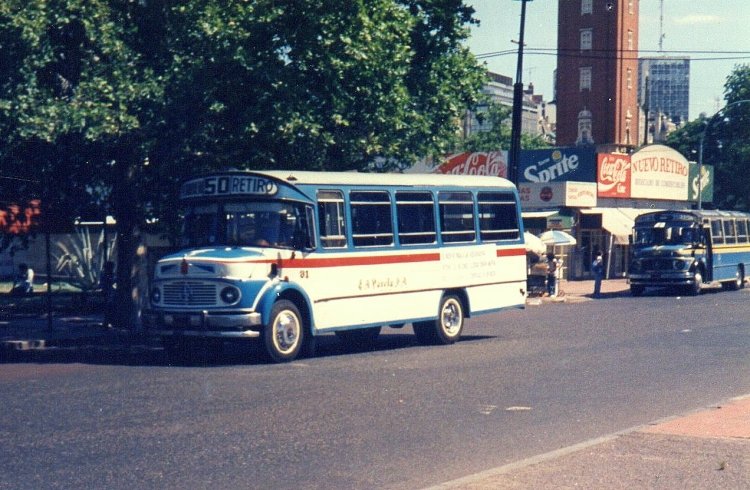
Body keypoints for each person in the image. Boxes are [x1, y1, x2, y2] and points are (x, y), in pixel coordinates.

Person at [100, 261, 116, 327]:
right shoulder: (107, 275)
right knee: (109, 307)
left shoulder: (105, 274)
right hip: (109, 292)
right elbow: (110, 281)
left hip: (108, 292)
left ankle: (107, 321)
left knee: (108, 307)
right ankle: (107, 322)